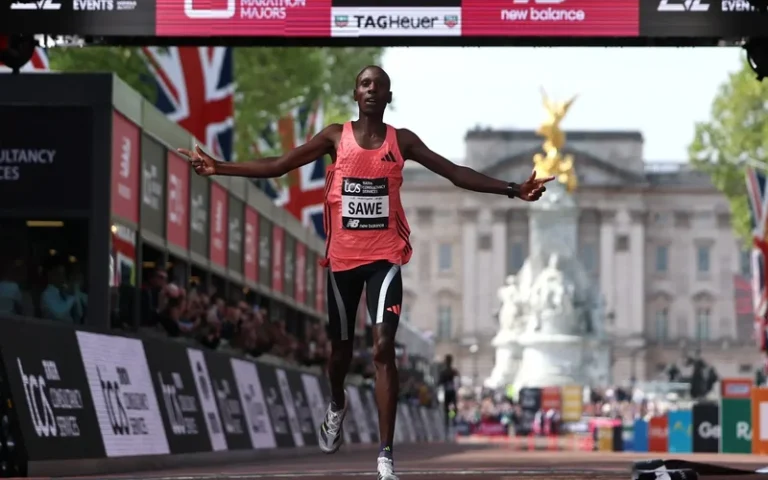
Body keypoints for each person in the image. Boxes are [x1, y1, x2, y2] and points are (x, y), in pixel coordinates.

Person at [179, 65, 554, 480]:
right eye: (365, 84)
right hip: (342, 261)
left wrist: (513, 189)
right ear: (355, 94)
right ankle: (336, 402)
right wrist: (220, 167)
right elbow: (281, 165)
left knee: (381, 348)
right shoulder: (334, 137)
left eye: (379, 86)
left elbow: (454, 174)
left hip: (384, 260)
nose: (372, 91)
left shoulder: (402, 141)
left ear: (388, 97)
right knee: (339, 354)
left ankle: (385, 455)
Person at [437, 355, 459, 438]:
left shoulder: (451, 372)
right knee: (450, 410)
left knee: (450, 410)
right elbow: (439, 382)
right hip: (449, 393)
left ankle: (450, 424)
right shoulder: (452, 372)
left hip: (450, 393)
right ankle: (450, 425)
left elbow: (439, 382)